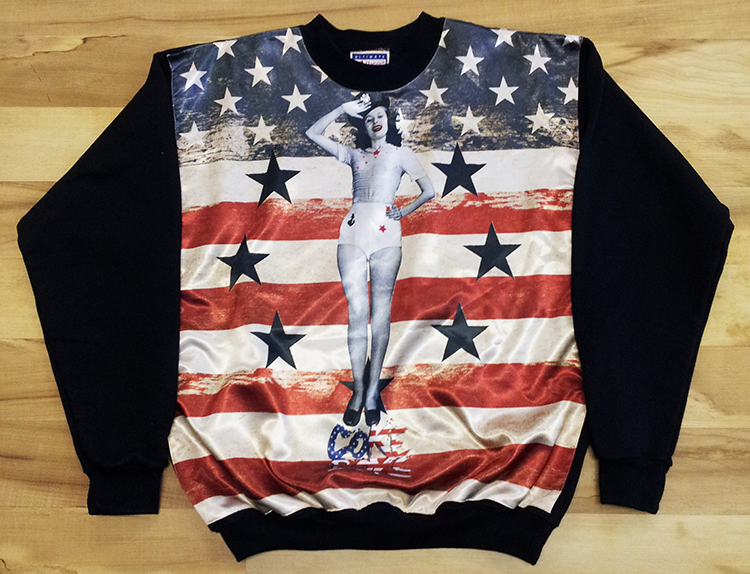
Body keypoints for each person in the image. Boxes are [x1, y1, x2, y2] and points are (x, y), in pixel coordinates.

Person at [306, 93, 435, 427]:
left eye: (380, 116)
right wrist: (341, 108)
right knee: (357, 314)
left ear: (389, 121)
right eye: (368, 118)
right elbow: (312, 133)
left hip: (386, 237)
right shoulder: (355, 155)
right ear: (363, 126)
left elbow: (429, 190)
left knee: (380, 315)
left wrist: (404, 211)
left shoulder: (401, 154)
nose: (376, 122)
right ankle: (359, 390)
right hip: (352, 234)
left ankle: (373, 391)